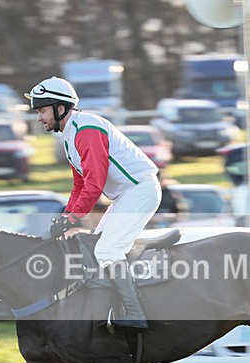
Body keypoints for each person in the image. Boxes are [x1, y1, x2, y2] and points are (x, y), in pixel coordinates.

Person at [26, 76, 161, 330]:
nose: (39, 117)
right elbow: (79, 185)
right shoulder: (69, 136)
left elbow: (95, 184)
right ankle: (114, 307)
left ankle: (134, 312)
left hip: (140, 191)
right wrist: (66, 217)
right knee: (97, 247)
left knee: (106, 251)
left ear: (60, 108)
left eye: (42, 110)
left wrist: (72, 218)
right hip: (125, 196)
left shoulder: (86, 130)